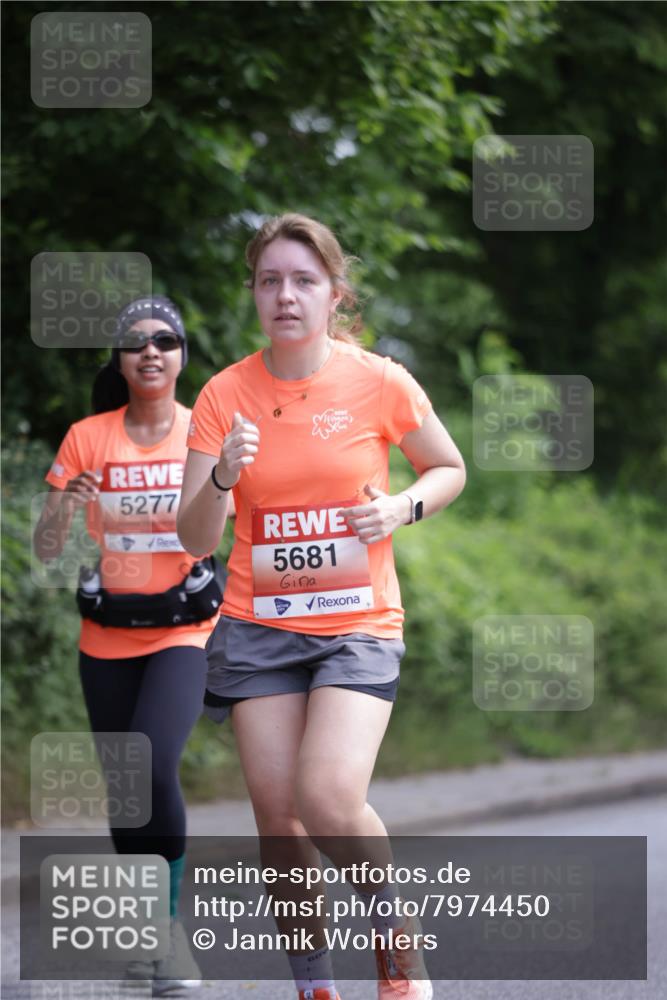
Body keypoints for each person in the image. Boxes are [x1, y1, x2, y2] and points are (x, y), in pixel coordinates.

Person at [177, 214, 466, 1000]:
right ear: (255, 294)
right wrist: (223, 478)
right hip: (257, 625)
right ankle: (314, 984)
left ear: (334, 293)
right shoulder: (223, 394)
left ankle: (396, 943)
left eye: (303, 280)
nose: (285, 295)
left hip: (357, 624)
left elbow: (447, 466)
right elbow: (195, 536)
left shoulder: (378, 380)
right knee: (279, 819)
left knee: (327, 797)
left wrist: (401, 509)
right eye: (269, 280)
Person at [33, 295, 220, 995]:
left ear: (180, 356)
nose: (150, 351)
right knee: (124, 788)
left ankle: (169, 937)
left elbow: (240, 515)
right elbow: (48, 548)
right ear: (119, 357)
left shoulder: (205, 430)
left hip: (182, 630)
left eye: (165, 340)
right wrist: (60, 503)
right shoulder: (88, 435)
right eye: (136, 341)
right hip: (106, 633)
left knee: (151, 765)